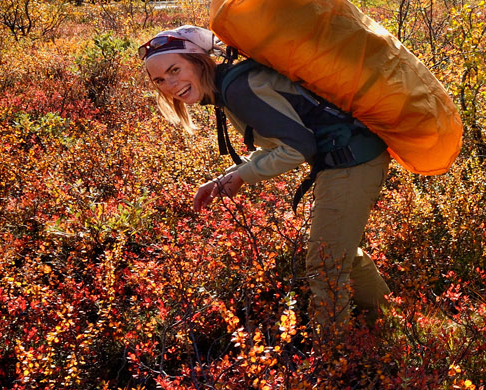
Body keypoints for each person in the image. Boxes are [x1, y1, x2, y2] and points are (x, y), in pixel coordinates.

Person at [141, 25, 393, 333]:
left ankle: (334, 361)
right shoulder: (231, 87)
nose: (170, 84)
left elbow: (298, 148)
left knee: (327, 265)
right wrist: (227, 178)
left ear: (200, 61)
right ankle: (385, 324)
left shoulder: (239, 90)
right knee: (340, 253)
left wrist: (242, 177)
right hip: (350, 158)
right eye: (160, 80)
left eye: (175, 70)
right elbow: (280, 145)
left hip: (351, 162)